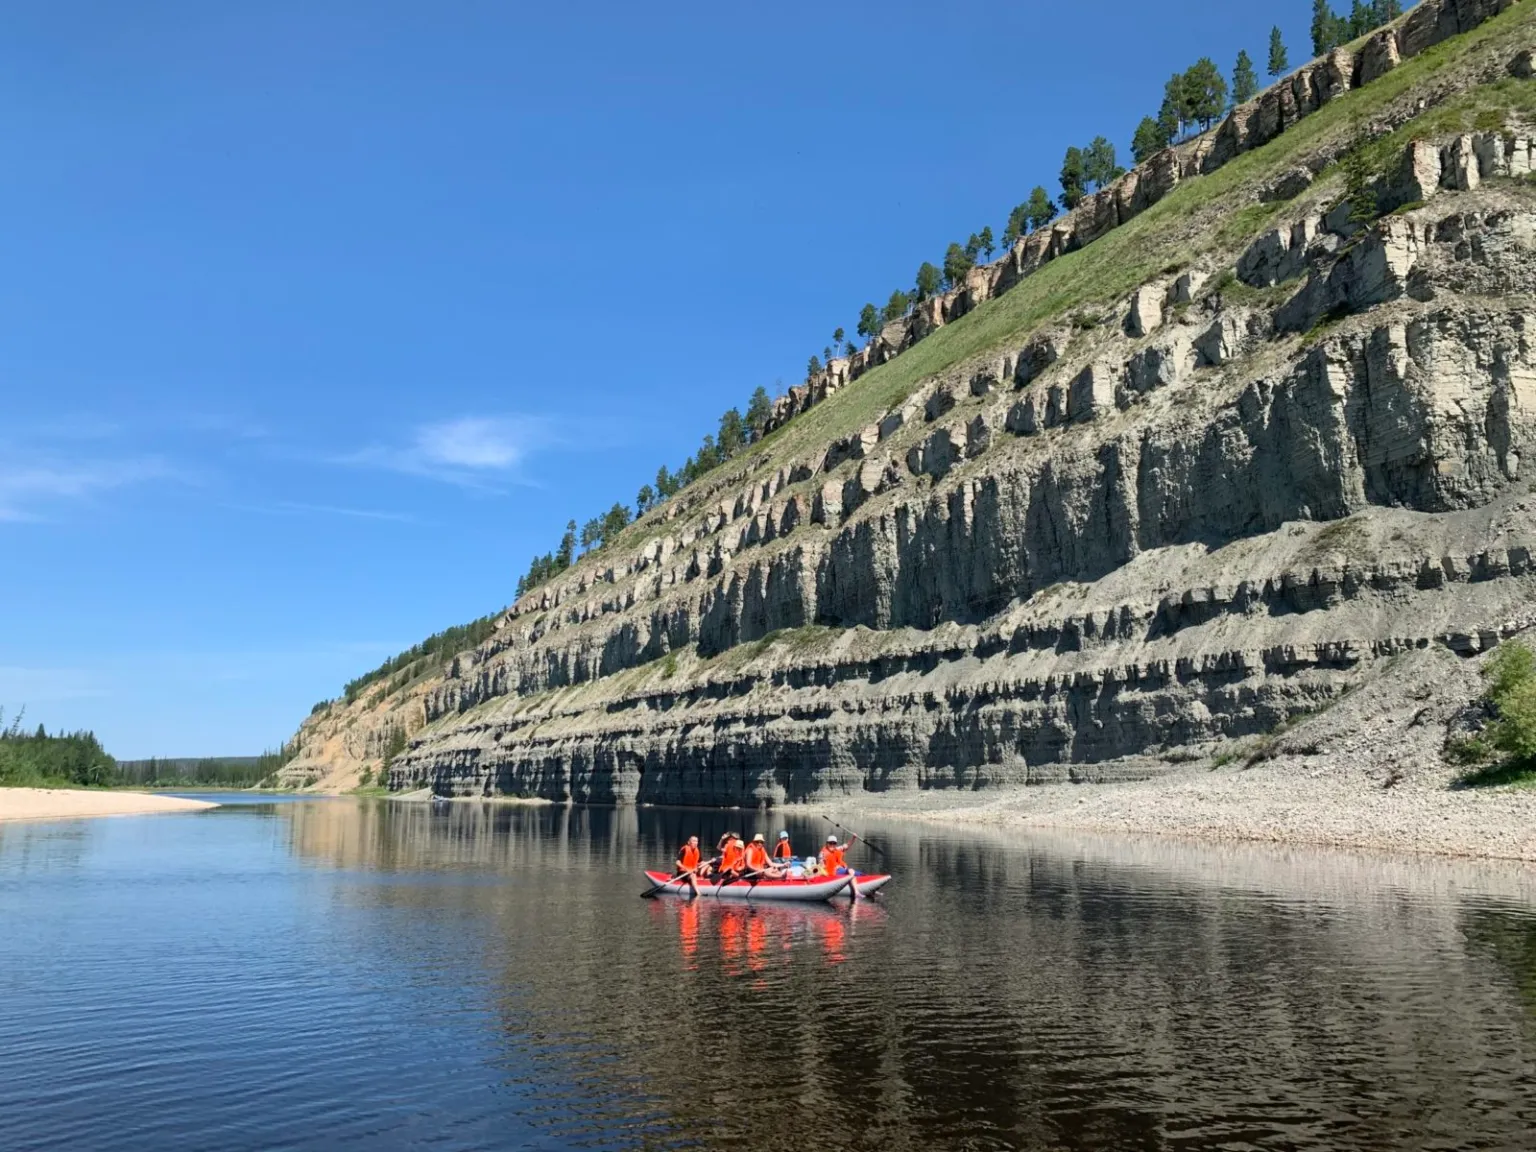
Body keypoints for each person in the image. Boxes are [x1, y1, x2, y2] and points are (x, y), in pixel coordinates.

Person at [821, 834, 859, 900]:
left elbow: (847, 846)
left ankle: (872, 890)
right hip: (833, 872)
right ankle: (856, 892)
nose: (832, 845)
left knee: (860, 874)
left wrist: (853, 838)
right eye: (830, 843)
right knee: (851, 870)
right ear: (827, 843)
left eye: (834, 843)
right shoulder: (822, 854)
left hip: (841, 869)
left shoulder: (837, 849)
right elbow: (821, 866)